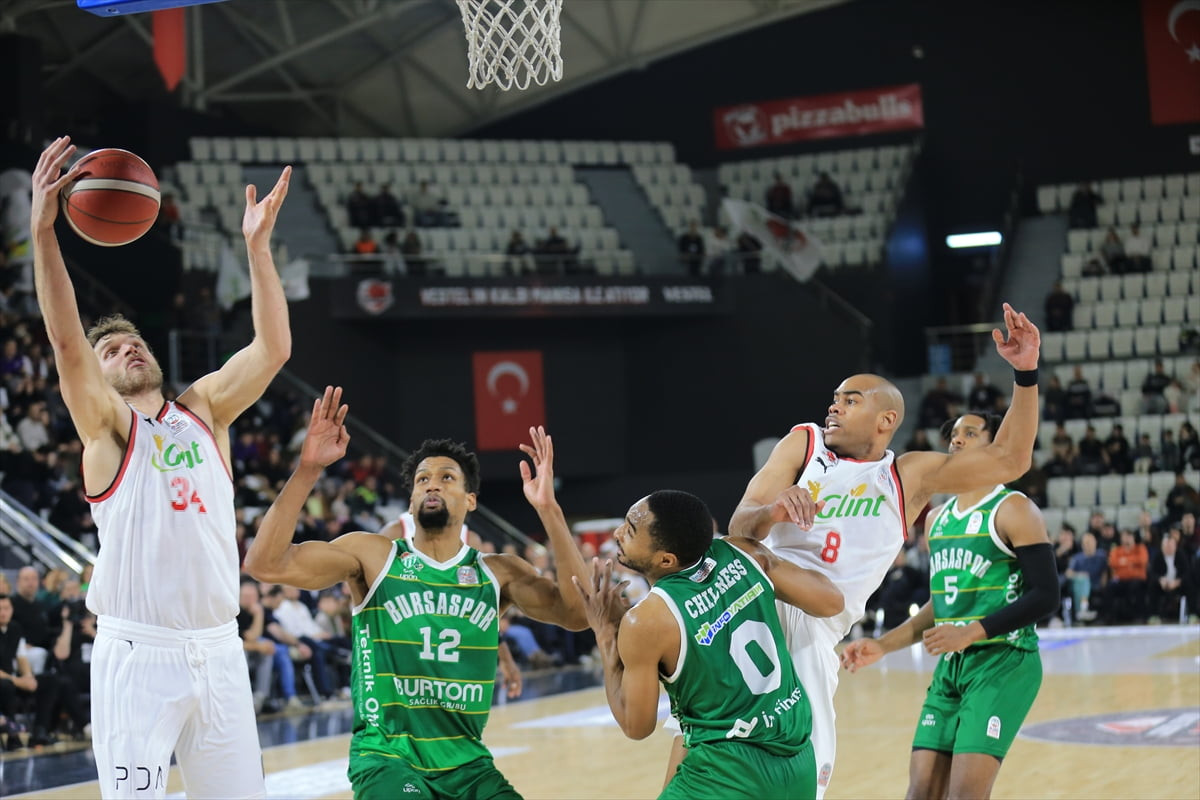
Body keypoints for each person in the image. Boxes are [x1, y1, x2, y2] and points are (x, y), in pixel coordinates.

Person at [31, 135, 292, 799]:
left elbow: (272, 349)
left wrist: (258, 253)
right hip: (138, 654)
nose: (128, 349)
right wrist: (44, 233)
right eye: (112, 350)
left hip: (220, 648)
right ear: (100, 375)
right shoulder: (108, 431)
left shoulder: (204, 410)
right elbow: (67, 344)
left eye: (133, 342)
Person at [711, 303, 1041, 798]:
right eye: (834, 399)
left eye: (851, 399)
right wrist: (774, 509)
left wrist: (1025, 373)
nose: (834, 407)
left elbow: (1011, 459)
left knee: (800, 780)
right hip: (748, 603)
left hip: (815, 628)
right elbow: (741, 525)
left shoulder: (907, 475)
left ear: (886, 419)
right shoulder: (804, 445)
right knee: (705, 754)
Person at [243, 390, 591, 799]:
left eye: (447, 478)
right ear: (410, 500)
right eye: (423, 478)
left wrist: (549, 510)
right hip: (388, 757)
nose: (432, 485)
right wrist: (308, 468)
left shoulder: (498, 572)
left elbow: (578, 615)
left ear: (470, 500)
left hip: (469, 765)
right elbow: (264, 563)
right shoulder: (373, 556)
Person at [840, 410, 1057, 800]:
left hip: (1004, 661)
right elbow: (941, 607)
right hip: (953, 666)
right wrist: (883, 645)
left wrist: (970, 632)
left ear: (995, 445)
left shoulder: (1014, 509)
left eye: (970, 433)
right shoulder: (936, 519)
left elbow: (1046, 596)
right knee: (920, 792)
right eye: (954, 434)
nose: (956, 440)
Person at [572, 492, 844, 800]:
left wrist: (607, 634)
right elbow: (831, 602)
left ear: (666, 559)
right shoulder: (744, 552)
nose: (618, 534)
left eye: (630, 530)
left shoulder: (647, 621)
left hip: (727, 774)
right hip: (797, 762)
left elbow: (637, 725)